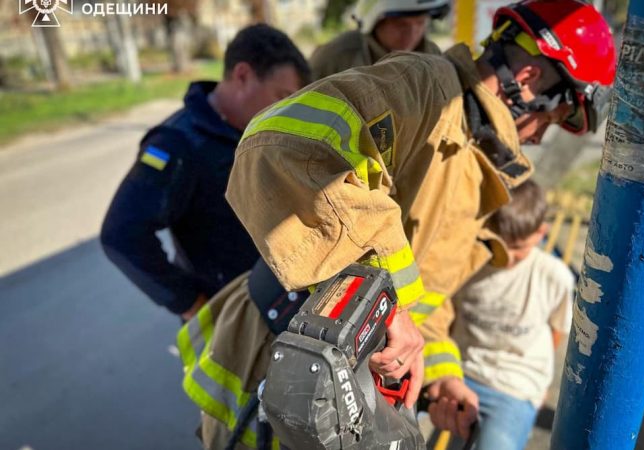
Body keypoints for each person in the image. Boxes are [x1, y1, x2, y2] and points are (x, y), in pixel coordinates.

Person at [176, 1, 615, 448]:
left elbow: (431, 294)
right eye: (551, 119)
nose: (539, 137)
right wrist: (390, 305)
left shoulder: (477, 156)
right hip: (284, 365)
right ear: (528, 81)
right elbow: (283, 143)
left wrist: (443, 372)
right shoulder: (427, 88)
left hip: (347, 391)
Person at [100, 24, 310, 321]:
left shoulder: (256, 129)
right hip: (231, 318)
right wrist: (192, 304)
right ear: (242, 76)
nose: (286, 110)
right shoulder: (178, 145)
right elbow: (122, 235)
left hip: (278, 302)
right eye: (281, 96)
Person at [450, 180, 574, 450]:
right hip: (457, 369)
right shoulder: (468, 262)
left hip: (514, 385)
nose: (507, 257)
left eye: (518, 248)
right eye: (500, 245)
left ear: (542, 232)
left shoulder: (554, 277)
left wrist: (538, 380)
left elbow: (558, 329)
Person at [310, 0, 449, 80]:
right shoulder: (336, 57)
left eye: (420, 23)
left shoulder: (433, 55)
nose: (411, 34)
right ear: (375, 22)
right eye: (401, 25)